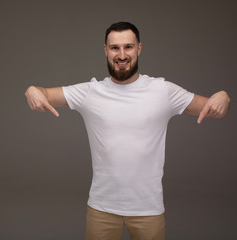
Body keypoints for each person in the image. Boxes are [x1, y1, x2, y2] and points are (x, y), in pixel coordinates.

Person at [24, 22, 230, 240]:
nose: (122, 55)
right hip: (101, 209)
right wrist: (31, 90)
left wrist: (224, 96)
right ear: (105, 50)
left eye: (128, 47)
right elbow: (43, 92)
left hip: (148, 210)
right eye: (115, 48)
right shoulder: (90, 92)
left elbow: (214, 108)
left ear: (139, 48)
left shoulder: (163, 91)